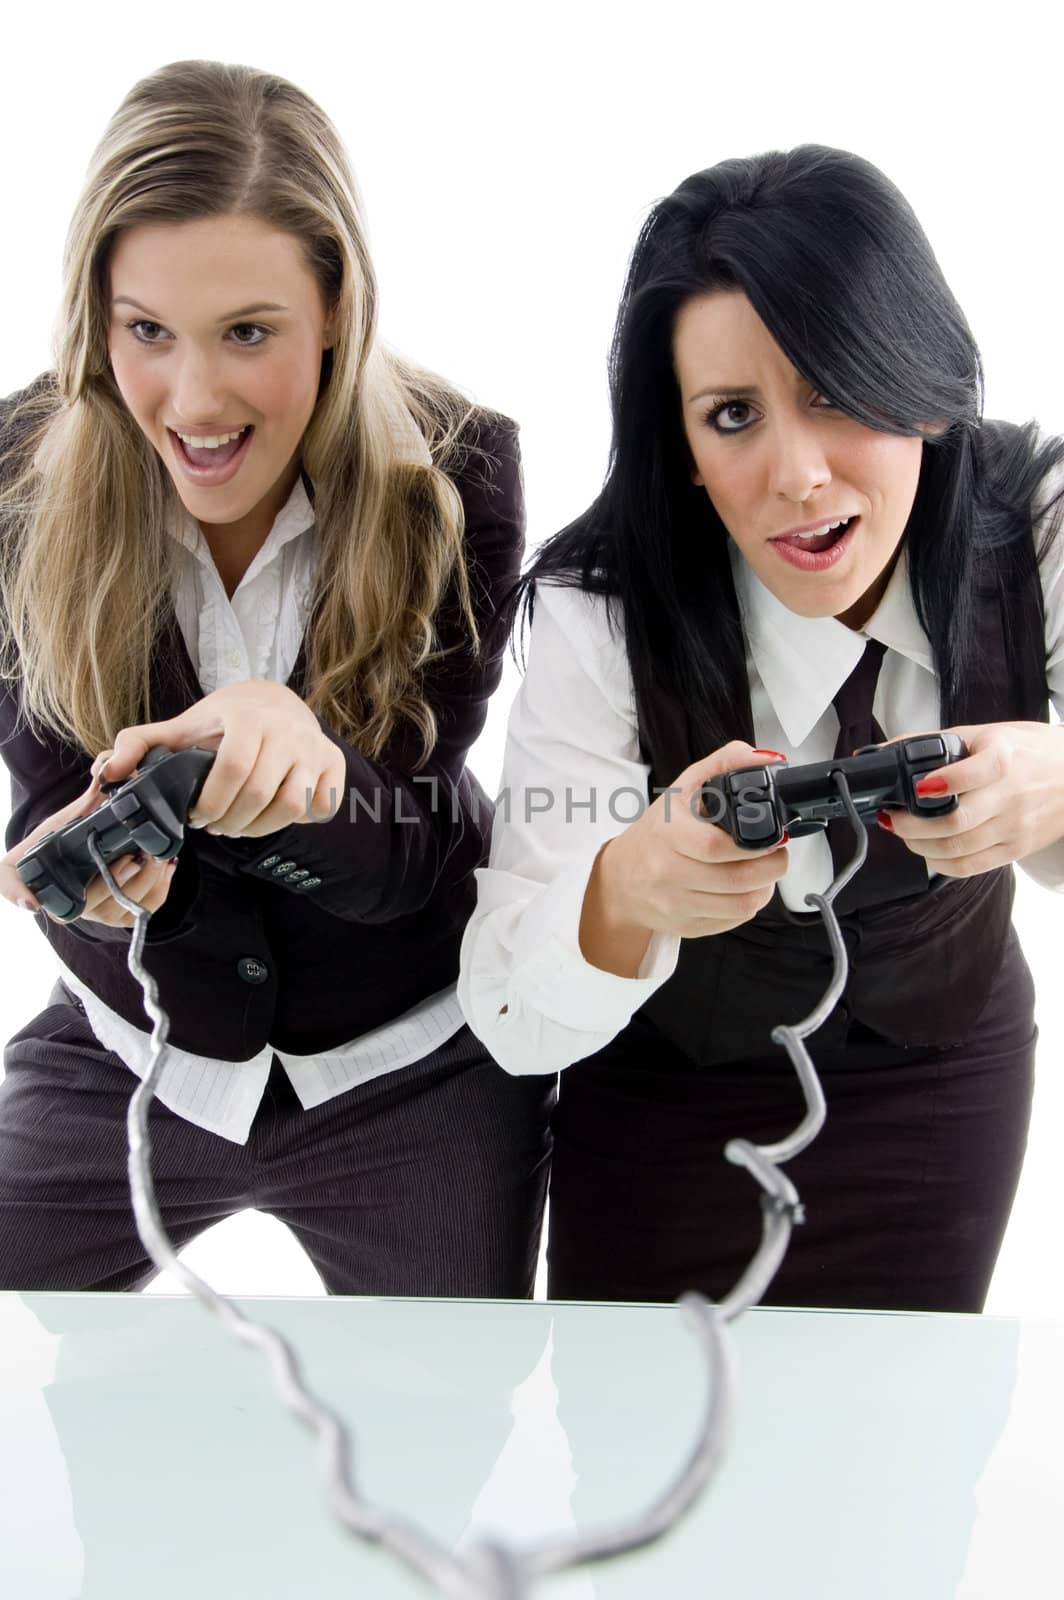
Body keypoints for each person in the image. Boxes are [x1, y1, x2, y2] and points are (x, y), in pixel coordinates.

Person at [458, 145, 1064, 1314]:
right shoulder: (602, 610)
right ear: (680, 446)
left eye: (835, 390)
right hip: (661, 1111)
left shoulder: (1034, 522)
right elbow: (508, 1018)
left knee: (904, 1466)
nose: (794, 475)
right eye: (730, 416)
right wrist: (625, 888)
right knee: (639, 1461)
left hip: (940, 1084)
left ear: (923, 384)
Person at [0, 59, 553, 1296]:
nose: (192, 401)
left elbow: (411, 847)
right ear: (97, 320)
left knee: (428, 1449)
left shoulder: (457, 476)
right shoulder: (14, 476)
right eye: (147, 331)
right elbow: (43, 785)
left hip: (404, 1058)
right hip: (123, 1052)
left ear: (336, 315)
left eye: (248, 332)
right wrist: (90, 862)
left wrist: (302, 769)